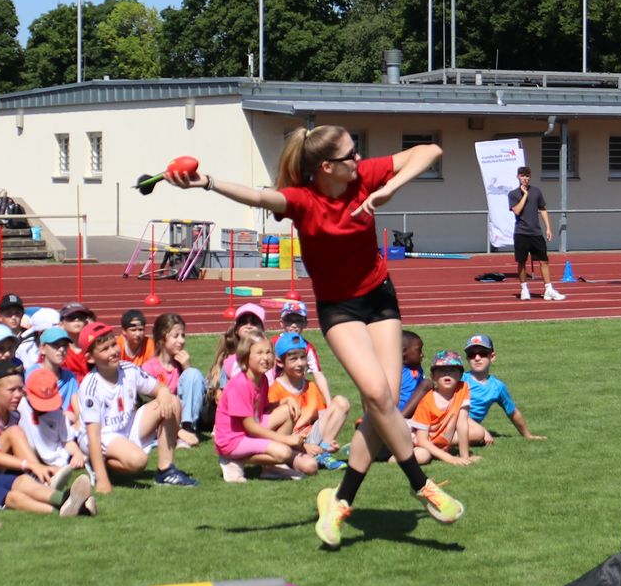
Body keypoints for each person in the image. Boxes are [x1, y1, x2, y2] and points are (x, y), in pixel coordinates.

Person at [170, 125, 463, 549]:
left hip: (379, 296)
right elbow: (258, 197)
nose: (358, 159)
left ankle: (339, 500)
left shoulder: (363, 177)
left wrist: (389, 190)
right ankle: (422, 485)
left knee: (381, 405)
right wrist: (207, 182)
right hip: (339, 308)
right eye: (350, 154)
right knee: (378, 396)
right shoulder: (303, 200)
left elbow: (430, 150)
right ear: (326, 166)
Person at [75, 321, 195, 489]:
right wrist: (102, 481)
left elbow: (159, 388)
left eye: (113, 345)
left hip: (127, 427)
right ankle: (100, 467)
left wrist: (163, 392)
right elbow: (93, 436)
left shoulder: (128, 369)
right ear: (90, 358)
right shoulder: (91, 387)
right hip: (102, 435)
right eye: (105, 349)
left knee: (172, 401)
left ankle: (166, 471)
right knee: (139, 461)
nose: (113, 351)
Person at [0, 360, 94, 516]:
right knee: (15, 432)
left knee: (24, 485)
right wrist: (32, 465)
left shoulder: (14, 413)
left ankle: (70, 503)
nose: (18, 395)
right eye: (12, 390)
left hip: (5, 468)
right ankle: (44, 480)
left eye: (20, 389)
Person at [213, 330, 319, 482]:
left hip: (247, 431)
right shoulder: (240, 384)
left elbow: (263, 409)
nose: (266, 358)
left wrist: (285, 401)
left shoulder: (261, 379)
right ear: (246, 357)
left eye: (269, 352)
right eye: (259, 353)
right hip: (233, 440)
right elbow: (251, 427)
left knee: (287, 411)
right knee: (284, 452)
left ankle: (270, 468)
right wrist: (286, 439)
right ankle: (232, 459)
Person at [268, 331, 348, 467]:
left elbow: (322, 416)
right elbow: (271, 433)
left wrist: (328, 441)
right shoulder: (274, 391)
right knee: (307, 466)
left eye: (303, 357)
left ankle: (324, 452)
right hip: (289, 442)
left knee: (341, 402)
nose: (300, 363)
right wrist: (303, 446)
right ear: (280, 362)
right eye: (293, 359)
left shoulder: (311, 386)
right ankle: (316, 455)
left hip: (310, 437)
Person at [143, 311, 209, 443]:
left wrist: (187, 367)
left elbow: (194, 395)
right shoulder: (149, 367)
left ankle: (188, 428)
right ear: (162, 338)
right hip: (162, 417)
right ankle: (176, 433)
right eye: (176, 336)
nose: (182, 340)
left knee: (193, 373)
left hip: (182, 417)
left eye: (183, 335)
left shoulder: (181, 365)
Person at [406, 352, 482, 466]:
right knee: (423, 456)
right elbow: (421, 440)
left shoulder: (462, 389)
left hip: (435, 444)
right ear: (433, 376)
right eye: (442, 370)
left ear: (460, 375)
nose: (447, 373)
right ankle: (392, 458)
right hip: (412, 441)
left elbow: (462, 424)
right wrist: (450, 459)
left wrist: (465, 457)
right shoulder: (427, 402)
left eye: (452, 370)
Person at [461, 334, 540, 441]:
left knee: (477, 434)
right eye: (472, 355)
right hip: (452, 422)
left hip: (469, 429)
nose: (477, 358)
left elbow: (513, 412)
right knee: (479, 434)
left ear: (492, 357)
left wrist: (527, 435)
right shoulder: (460, 380)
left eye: (483, 353)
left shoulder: (497, 387)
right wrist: (482, 430)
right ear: (467, 358)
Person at [508, 164, 565, 301]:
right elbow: (517, 211)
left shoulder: (537, 191)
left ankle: (548, 289)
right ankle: (524, 289)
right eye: (522, 176)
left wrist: (548, 228)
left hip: (536, 233)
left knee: (544, 261)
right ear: (518, 177)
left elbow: (543, 209)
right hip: (521, 233)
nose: (525, 178)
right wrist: (525, 195)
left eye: (527, 176)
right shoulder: (513, 194)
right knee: (522, 262)